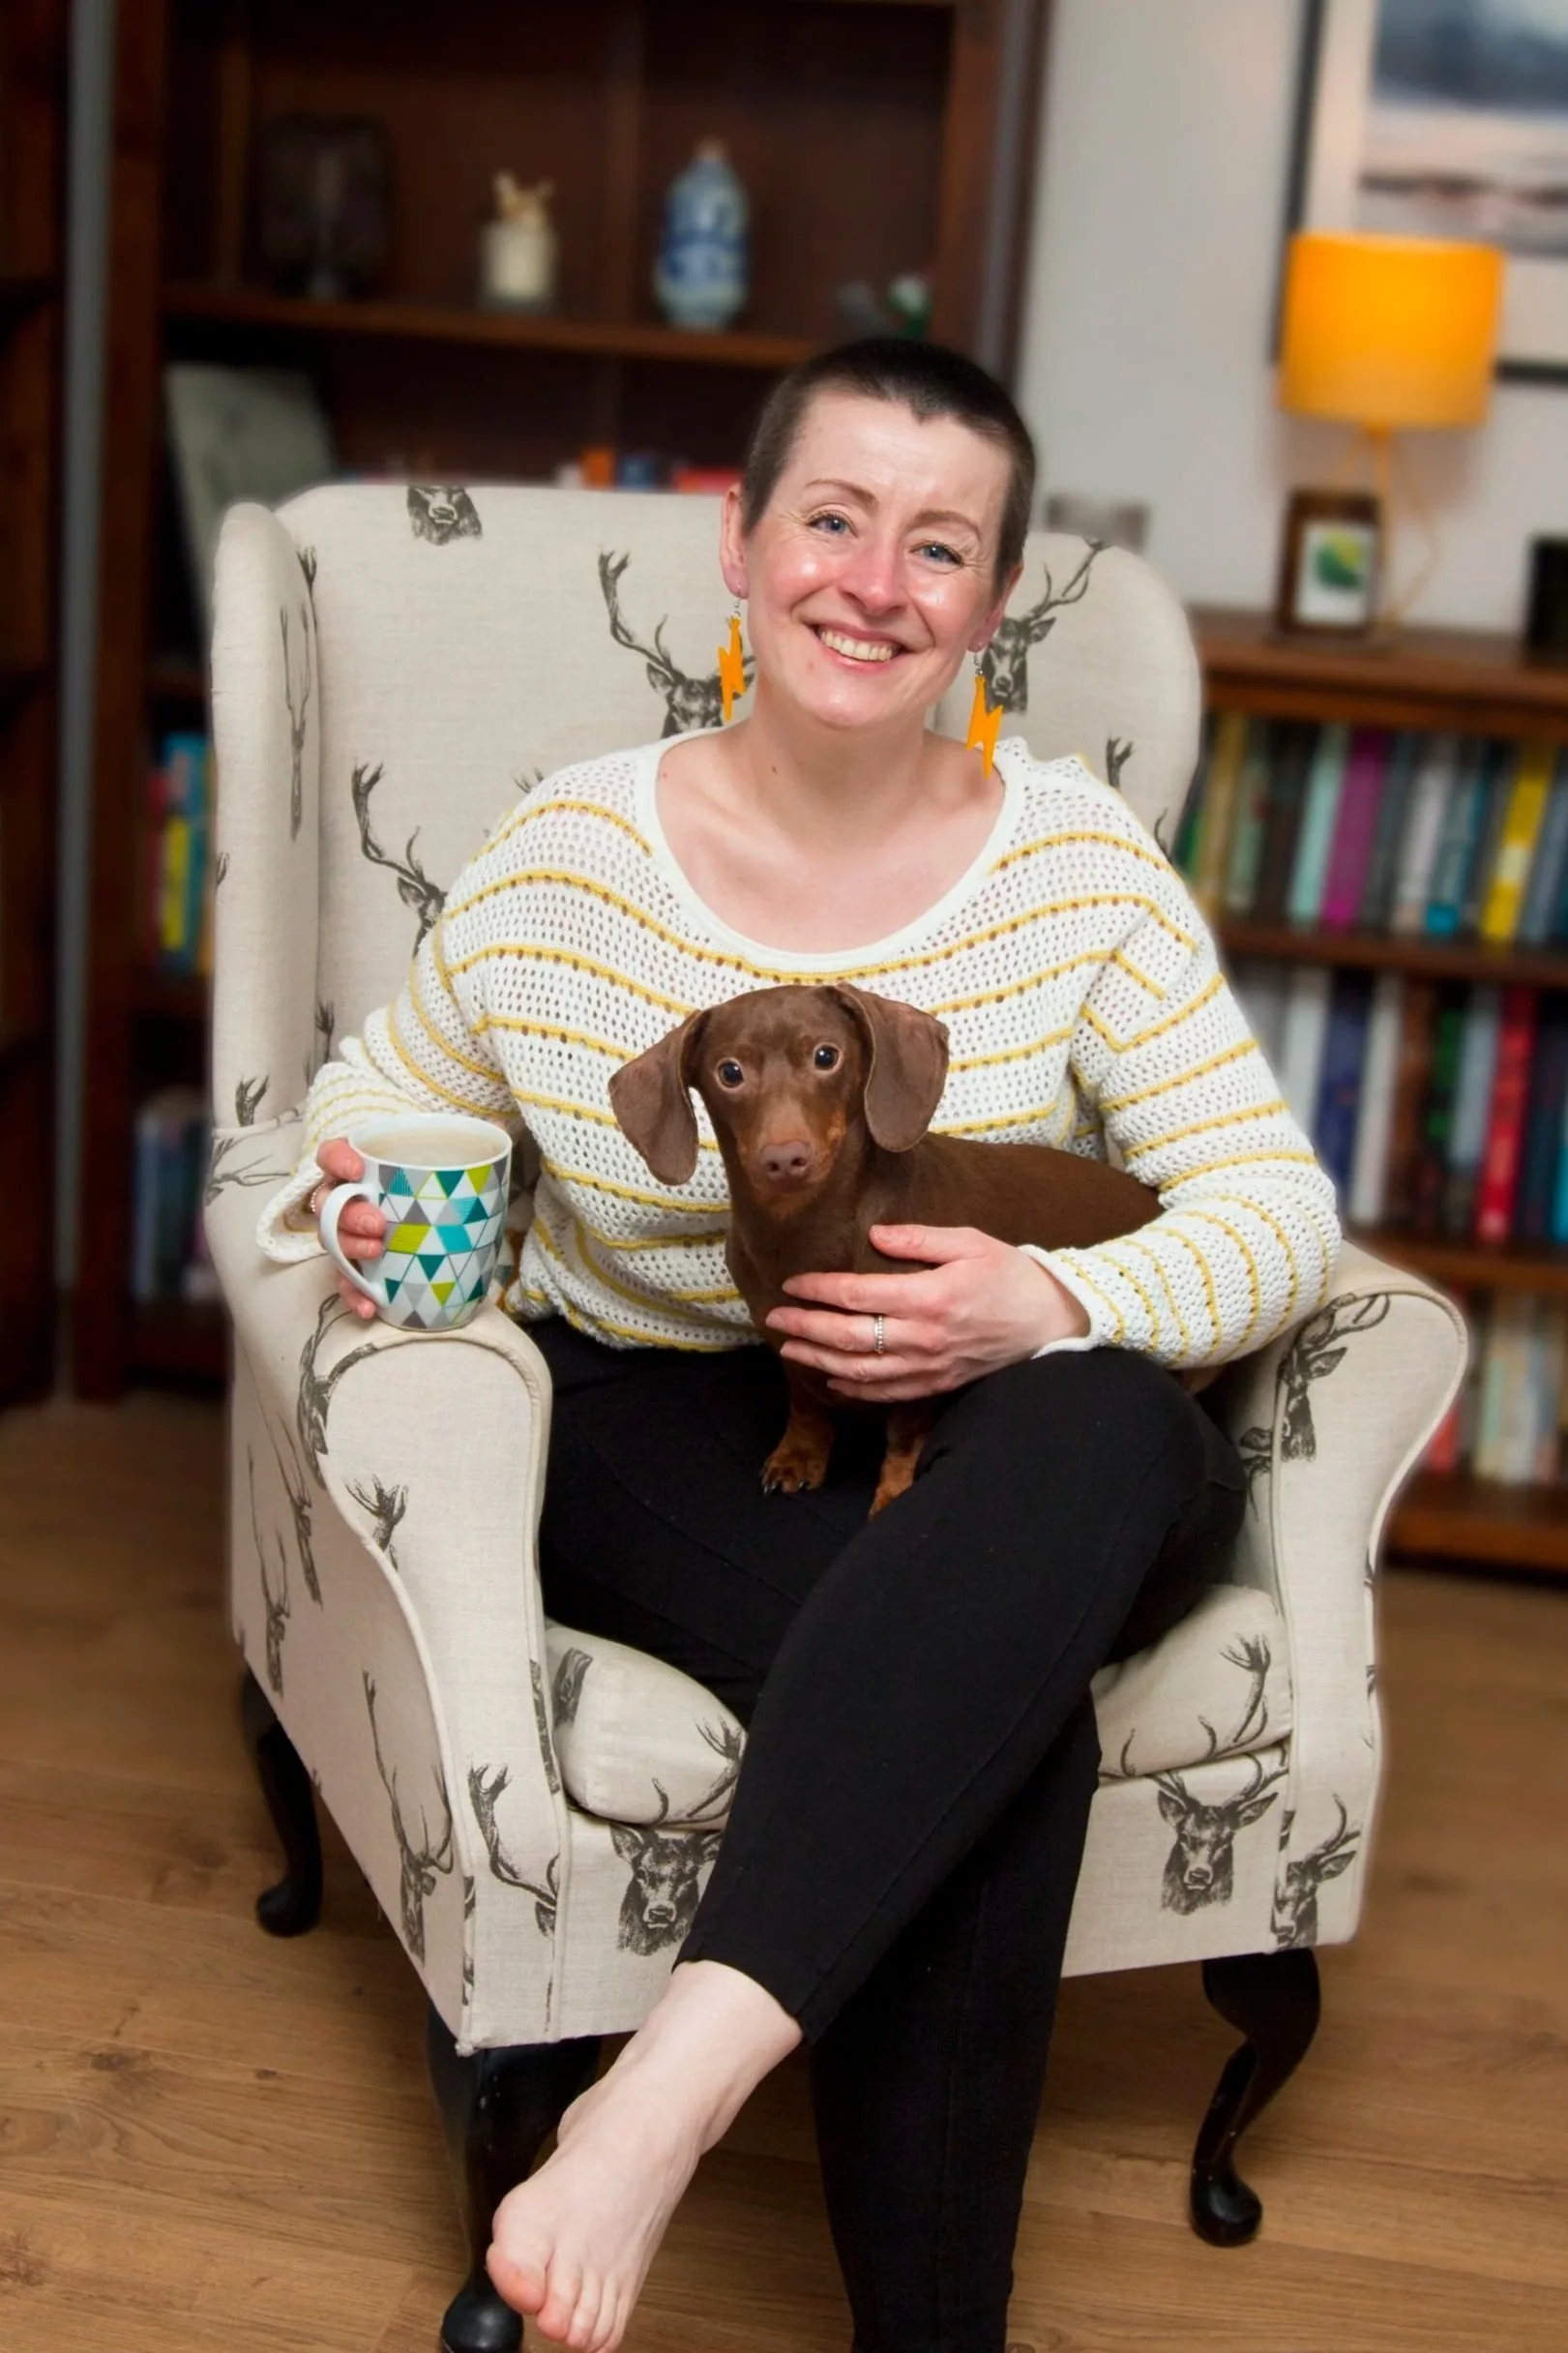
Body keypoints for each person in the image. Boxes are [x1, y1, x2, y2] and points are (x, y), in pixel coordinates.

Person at [260, 339, 1340, 2353]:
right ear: (739, 542)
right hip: (665, 1425)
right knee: (998, 1724)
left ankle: (652, 2097)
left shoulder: (1078, 864)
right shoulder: (568, 864)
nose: (876, 578)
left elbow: (1276, 1214)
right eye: (833, 518)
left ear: (994, 601)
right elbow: (358, 1113)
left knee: (1104, 1431)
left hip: (1024, 1451)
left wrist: (1054, 1300)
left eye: (942, 544)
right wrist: (366, 1216)